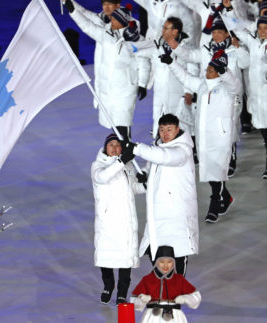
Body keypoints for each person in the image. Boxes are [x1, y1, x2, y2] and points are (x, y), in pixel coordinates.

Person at [167, 13, 250, 177]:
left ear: (227, 33)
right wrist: (175, 46)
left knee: (230, 126)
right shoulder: (207, 50)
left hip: (230, 94)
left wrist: (239, 48)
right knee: (211, 127)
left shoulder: (234, 49)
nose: (216, 35)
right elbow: (190, 56)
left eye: (220, 31)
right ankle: (212, 158)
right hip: (210, 93)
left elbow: (245, 63)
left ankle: (230, 157)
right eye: (214, 32)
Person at [121, 114, 198, 275]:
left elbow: (165, 157)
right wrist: (143, 175)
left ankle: (177, 288)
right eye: (162, 130)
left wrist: (136, 148)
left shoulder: (182, 150)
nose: (165, 134)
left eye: (169, 130)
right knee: (154, 250)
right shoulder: (158, 148)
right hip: (158, 211)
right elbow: (152, 168)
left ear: (177, 129)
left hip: (177, 210)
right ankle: (163, 288)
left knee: (177, 250)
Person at [64, 0, 148, 141]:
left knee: (122, 124)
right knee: (113, 124)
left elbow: (143, 58)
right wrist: (70, 5)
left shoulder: (133, 30)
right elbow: (86, 20)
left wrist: (143, 83)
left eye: (109, 4)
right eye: (104, 4)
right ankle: (118, 155)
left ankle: (125, 157)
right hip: (106, 83)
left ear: (118, 6)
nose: (106, 8)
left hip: (125, 85)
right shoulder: (106, 29)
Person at [91, 133, 146, 304]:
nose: (115, 148)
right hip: (108, 221)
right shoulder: (97, 165)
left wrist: (144, 183)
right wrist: (121, 162)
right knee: (106, 256)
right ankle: (108, 285)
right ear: (105, 148)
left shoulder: (127, 165)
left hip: (125, 220)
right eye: (111, 145)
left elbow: (132, 188)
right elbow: (102, 177)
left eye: (117, 145)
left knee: (125, 258)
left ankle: (122, 291)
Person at [232, 15, 267, 179]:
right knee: (264, 132)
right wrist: (228, 10)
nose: (262, 32)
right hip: (257, 99)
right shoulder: (253, 44)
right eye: (260, 29)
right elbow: (237, 28)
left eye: (266, 28)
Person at [130, 246, 201, 323]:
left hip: (175, 318)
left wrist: (185, 298)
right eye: (162, 262)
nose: (165, 265)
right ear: (156, 262)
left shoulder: (179, 279)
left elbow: (196, 297)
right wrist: (142, 300)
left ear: (173, 263)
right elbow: (133, 301)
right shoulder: (147, 279)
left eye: (169, 262)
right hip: (153, 318)